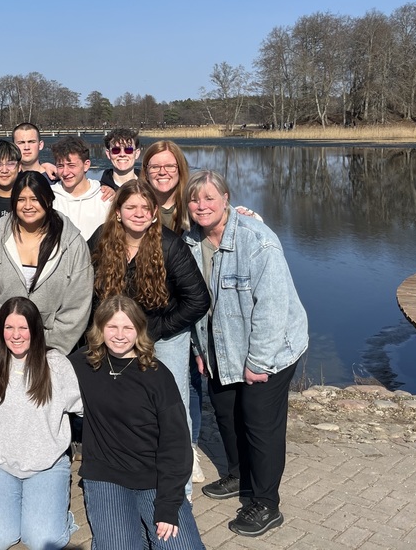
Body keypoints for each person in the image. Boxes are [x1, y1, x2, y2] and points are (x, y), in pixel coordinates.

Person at [184, 170, 308, 538]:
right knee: (224, 410)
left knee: (259, 423)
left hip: (271, 349)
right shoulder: (193, 242)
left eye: (210, 198)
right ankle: (240, 475)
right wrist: (201, 349)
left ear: (226, 199)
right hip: (222, 345)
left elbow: (271, 307)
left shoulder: (258, 241)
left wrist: (259, 362)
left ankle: (266, 504)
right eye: (195, 199)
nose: (202, 205)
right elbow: (198, 304)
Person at [89, 181, 210, 494]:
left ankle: (178, 489)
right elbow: (88, 294)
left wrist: (156, 330)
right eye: (131, 207)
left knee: (171, 407)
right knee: (125, 405)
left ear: (156, 213)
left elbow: (197, 300)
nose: (138, 214)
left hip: (164, 335)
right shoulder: (101, 241)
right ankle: (128, 473)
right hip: (116, 338)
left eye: (146, 208)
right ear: (118, 212)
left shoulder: (169, 245)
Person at [71, 296, 205, 550]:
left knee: (183, 547)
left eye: (127, 328)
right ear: (99, 329)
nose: (119, 335)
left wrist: (168, 505)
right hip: (105, 476)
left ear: (139, 330)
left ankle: (142, 530)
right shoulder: (83, 363)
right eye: (112, 327)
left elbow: (176, 444)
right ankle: (134, 531)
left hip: (153, 478)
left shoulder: (157, 375)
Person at [0, 298, 83, 550]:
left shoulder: (56, 364)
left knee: (44, 541)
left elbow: (84, 408)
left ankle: (54, 514)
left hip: (46, 465)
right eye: (9, 328)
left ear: (35, 329)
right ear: (1, 330)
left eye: (23, 328)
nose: (16, 335)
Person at [0, 171, 93, 355]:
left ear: (48, 199)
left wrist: (52, 348)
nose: (28, 206)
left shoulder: (72, 242)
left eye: (35, 199)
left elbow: (78, 302)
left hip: (51, 347)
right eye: (21, 199)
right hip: (2, 341)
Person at [50, 136, 110, 241]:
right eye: (60, 166)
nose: (65, 172)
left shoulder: (105, 198)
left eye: (71, 165)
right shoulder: (49, 197)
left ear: (86, 165)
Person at [140, 140, 190, 233]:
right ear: (146, 172)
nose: (162, 172)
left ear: (180, 170)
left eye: (170, 166)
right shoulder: (136, 210)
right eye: (155, 167)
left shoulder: (193, 208)